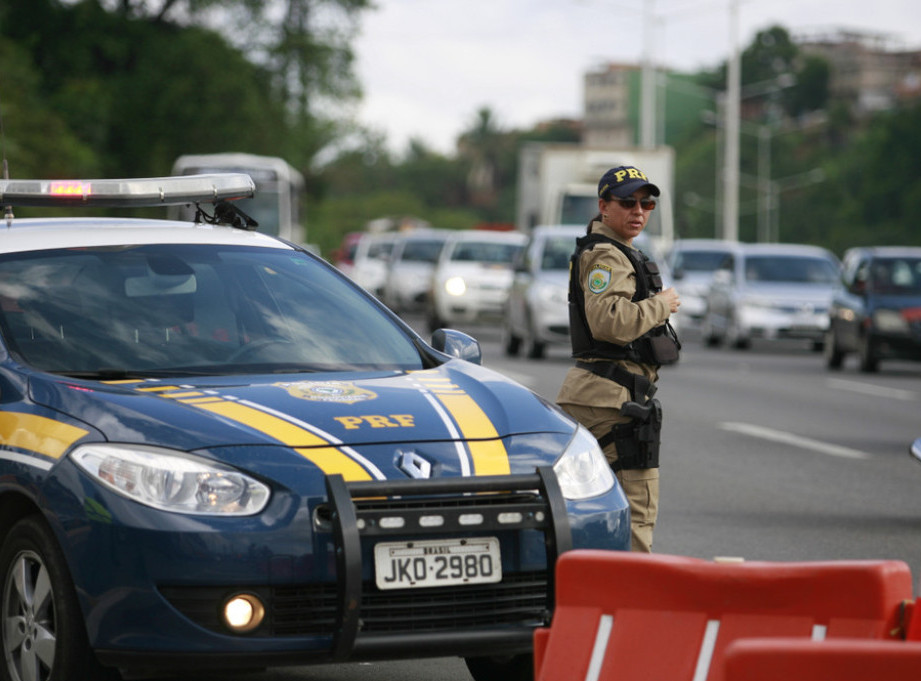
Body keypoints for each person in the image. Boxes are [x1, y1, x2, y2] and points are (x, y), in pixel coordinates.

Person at [556, 165, 681, 553]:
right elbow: (609, 322)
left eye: (647, 203)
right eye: (627, 202)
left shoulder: (609, 250)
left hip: (597, 395)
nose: (639, 211)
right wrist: (660, 306)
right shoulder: (608, 255)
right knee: (635, 518)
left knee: (583, 512)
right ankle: (631, 604)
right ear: (603, 206)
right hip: (614, 402)